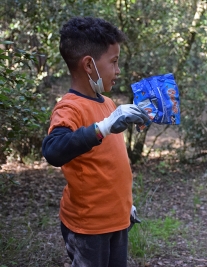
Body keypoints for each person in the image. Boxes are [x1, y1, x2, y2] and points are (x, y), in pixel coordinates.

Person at [42, 17, 150, 267]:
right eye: (113, 62)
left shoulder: (108, 103)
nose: (118, 69)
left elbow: (110, 163)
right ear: (89, 65)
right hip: (88, 226)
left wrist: (125, 205)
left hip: (116, 219)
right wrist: (102, 127)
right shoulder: (69, 107)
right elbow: (53, 151)